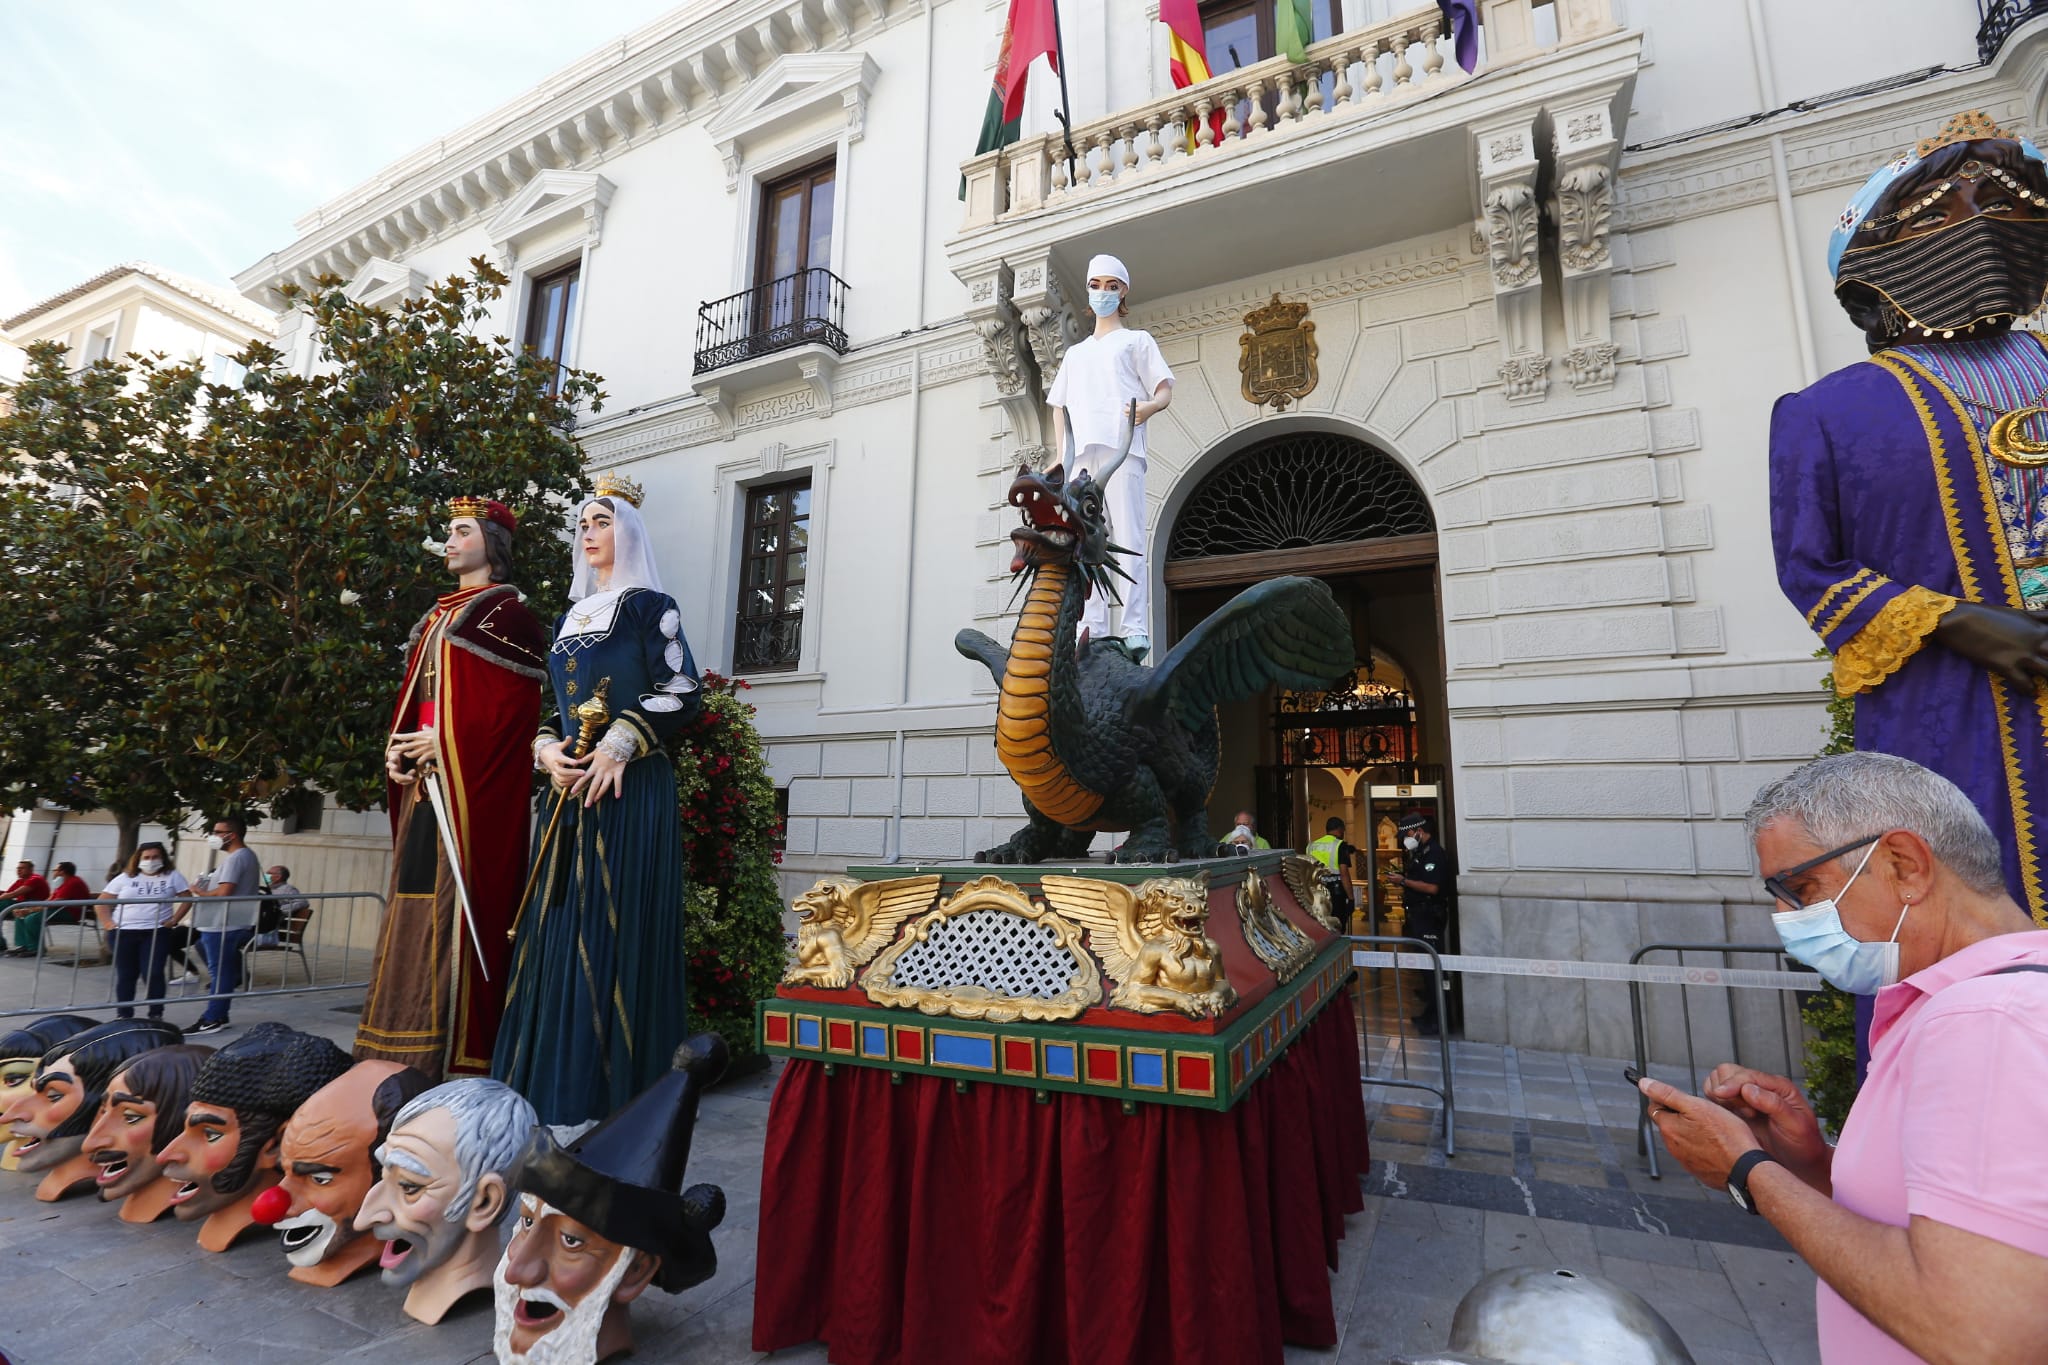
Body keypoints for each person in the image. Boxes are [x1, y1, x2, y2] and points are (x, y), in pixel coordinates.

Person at [1770, 110, 2048, 1067]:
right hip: (1948, 723)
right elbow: (1813, 571)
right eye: (1944, 203)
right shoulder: (1825, 416)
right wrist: (1956, 621)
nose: (1979, 215)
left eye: (1997, 196)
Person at [1639, 752, 2048, 1364]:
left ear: (1905, 866)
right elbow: (1935, 1228)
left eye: (1799, 888)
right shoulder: (1980, 1003)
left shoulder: (1988, 1019)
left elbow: (1977, 1332)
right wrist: (1811, 1164)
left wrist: (1746, 1167)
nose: (1784, 918)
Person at [493, 476, 703, 1125]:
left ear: (627, 533)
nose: (588, 532)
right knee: (556, 926)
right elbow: (550, 709)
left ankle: (606, 1096)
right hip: (567, 794)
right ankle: (543, 1090)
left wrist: (621, 740)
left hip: (627, 791)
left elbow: (682, 688)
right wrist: (545, 751)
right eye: (583, 523)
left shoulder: (649, 607)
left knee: (609, 929)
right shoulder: (568, 619)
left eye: (601, 521)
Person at [359, 498, 545, 1083]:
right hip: (425, 792)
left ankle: (451, 1051)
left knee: (454, 912)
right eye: (449, 532)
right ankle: (394, 1041)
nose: (450, 541)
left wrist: (451, 745)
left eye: (462, 532)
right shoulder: (436, 617)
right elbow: (417, 703)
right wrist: (399, 748)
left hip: (469, 792)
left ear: (491, 544)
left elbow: (517, 715)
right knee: (411, 905)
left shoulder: (506, 617)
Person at [1046, 252, 1174, 660]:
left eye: (1111, 286)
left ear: (1123, 294)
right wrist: (1060, 456)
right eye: (1095, 285)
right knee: (1087, 540)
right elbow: (1058, 407)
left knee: (1130, 536)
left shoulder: (1137, 341)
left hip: (1123, 449)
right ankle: (1093, 623)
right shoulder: (1075, 354)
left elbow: (1164, 391)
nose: (1102, 293)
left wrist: (1146, 409)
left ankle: (1134, 626)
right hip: (1084, 454)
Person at [184, 814, 263, 1034]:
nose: (213, 836)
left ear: (232, 835)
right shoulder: (244, 856)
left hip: (224, 924)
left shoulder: (237, 858)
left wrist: (200, 891)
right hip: (226, 923)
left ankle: (213, 1018)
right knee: (220, 968)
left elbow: (225, 891)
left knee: (221, 973)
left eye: (218, 832)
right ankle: (219, 1013)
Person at [96, 843, 191, 1020]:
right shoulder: (125, 878)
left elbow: (187, 898)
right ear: (138, 859)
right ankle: (124, 1015)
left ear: (162, 858)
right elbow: (102, 902)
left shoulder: (173, 876)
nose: (151, 861)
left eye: (155, 857)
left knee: (153, 972)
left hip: (156, 932)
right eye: (146, 857)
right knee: (126, 975)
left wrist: (174, 920)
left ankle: (156, 1014)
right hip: (124, 933)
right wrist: (108, 923)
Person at [1390, 812, 1455, 1035]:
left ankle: (1441, 1019)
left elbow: (1433, 888)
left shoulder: (1434, 853)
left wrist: (1404, 881)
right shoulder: (1420, 853)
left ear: (1419, 831)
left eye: (1407, 834)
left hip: (1429, 915)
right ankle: (1431, 1013)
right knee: (1427, 969)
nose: (1405, 839)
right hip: (1420, 915)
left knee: (1434, 970)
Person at [1, 860, 51, 957]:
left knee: (22, 914)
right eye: (18, 868)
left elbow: (13, 894)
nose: (19, 870)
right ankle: (22, 945)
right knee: (7, 904)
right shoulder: (20, 881)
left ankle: (30, 947)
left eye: (22, 868)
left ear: (31, 869)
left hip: (37, 907)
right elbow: (7, 894)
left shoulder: (35, 879)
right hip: (24, 906)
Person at [253, 865, 308, 948]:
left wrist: (278, 909)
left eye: (269, 873)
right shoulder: (268, 889)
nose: (266, 875)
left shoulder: (287, 889)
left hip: (270, 927)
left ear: (278, 877)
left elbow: (302, 902)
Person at [1308, 816, 1358, 905]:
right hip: (1335, 892)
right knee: (1337, 918)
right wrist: (1351, 898)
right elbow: (1344, 874)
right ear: (1340, 829)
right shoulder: (1340, 845)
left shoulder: (1311, 846)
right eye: (1343, 830)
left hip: (1315, 892)